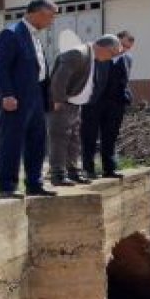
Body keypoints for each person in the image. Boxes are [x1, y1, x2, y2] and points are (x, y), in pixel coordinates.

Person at [0, 0, 58, 198]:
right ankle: (7, 186)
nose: (51, 21)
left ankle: (34, 183)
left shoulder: (33, 35)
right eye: (50, 16)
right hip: (16, 97)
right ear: (37, 13)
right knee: (12, 141)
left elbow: (38, 67)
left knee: (37, 140)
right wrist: (7, 94)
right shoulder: (12, 33)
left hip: (35, 94)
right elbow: (1, 67)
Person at [46, 35, 121, 187]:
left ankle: (74, 172)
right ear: (104, 48)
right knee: (60, 138)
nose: (111, 58)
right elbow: (59, 79)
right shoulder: (78, 54)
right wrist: (58, 100)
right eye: (112, 54)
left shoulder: (92, 57)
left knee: (74, 139)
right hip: (63, 103)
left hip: (76, 104)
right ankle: (58, 174)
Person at [83, 30, 135, 179]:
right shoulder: (97, 57)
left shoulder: (128, 59)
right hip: (94, 102)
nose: (124, 50)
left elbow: (125, 80)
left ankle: (109, 168)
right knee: (89, 136)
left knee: (110, 136)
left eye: (128, 48)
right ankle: (88, 169)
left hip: (116, 103)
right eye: (122, 45)